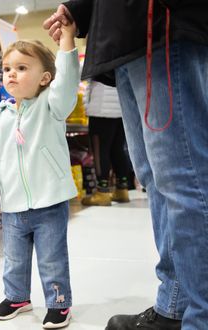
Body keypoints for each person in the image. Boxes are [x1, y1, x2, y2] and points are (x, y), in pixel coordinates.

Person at [44, 1, 208, 329]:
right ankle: (174, 306)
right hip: (125, 33)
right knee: (155, 175)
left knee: (183, 177)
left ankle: (200, 317)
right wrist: (80, 8)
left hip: (163, 21)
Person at [0, 21, 79, 329]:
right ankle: (17, 296)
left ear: (45, 78)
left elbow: (67, 83)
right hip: (13, 206)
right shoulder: (2, 114)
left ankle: (59, 303)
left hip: (49, 203)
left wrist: (67, 43)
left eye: (22, 68)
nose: (11, 74)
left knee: (51, 259)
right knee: (14, 259)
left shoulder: (52, 105)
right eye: (7, 68)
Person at [81, 81, 130, 206]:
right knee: (118, 149)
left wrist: (86, 106)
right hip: (121, 108)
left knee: (100, 150)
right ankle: (122, 189)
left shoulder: (99, 62)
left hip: (101, 108)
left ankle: (102, 192)